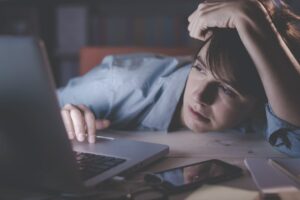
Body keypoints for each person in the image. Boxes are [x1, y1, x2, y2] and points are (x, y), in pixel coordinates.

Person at [57, 0, 300, 157]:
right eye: (200, 68)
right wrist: (62, 116)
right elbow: (31, 110)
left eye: (227, 90)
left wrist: (251, 17)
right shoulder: (119, 83)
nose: (199, 96)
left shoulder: (271, 108)